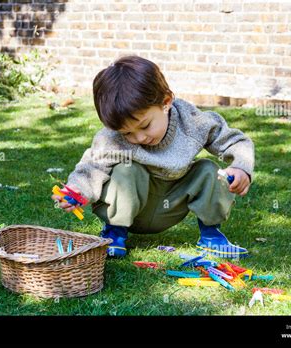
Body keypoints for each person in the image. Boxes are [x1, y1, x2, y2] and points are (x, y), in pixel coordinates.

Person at [51, 55, 255, 259]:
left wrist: (241, 166)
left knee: (208, 170)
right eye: (127, 133)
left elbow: (235, 141)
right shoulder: (112, 139)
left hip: (173, 202)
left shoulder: (192, 122)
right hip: (130, 206)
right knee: (127, 168)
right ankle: (115, 234)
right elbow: (92, 166)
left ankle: (212, 237)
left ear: (166, 102)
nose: (139, 137)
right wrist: (77, 191)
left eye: (145, 125)